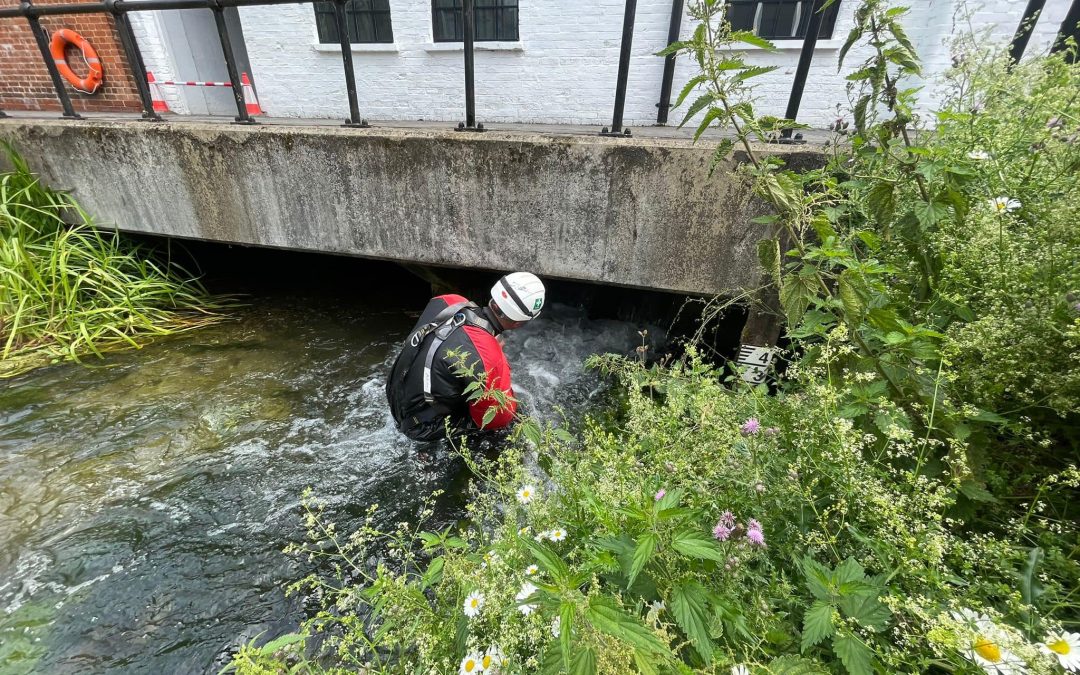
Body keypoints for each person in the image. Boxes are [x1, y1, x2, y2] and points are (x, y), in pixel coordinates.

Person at [386, 272, 546, 442]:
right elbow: (497, 418)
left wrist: (490, 347)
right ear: (518, 323)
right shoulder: (490, 357)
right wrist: (496, 355)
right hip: (421, 428)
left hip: (395, 396)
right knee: (512, 422)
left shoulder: (449, 301)